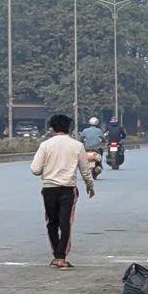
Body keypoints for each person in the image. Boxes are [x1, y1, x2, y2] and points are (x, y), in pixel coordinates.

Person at [31, 114, 95, 269]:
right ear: (69, 128)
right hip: (68, 189)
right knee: (65, 223)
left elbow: (35, 169)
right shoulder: (77, 145)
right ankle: (61, 257)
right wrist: (90, 185)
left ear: (52, 129)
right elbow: (85, 169)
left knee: (51, 222)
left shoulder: (45, 145)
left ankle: (56, 256)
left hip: (49, 189)